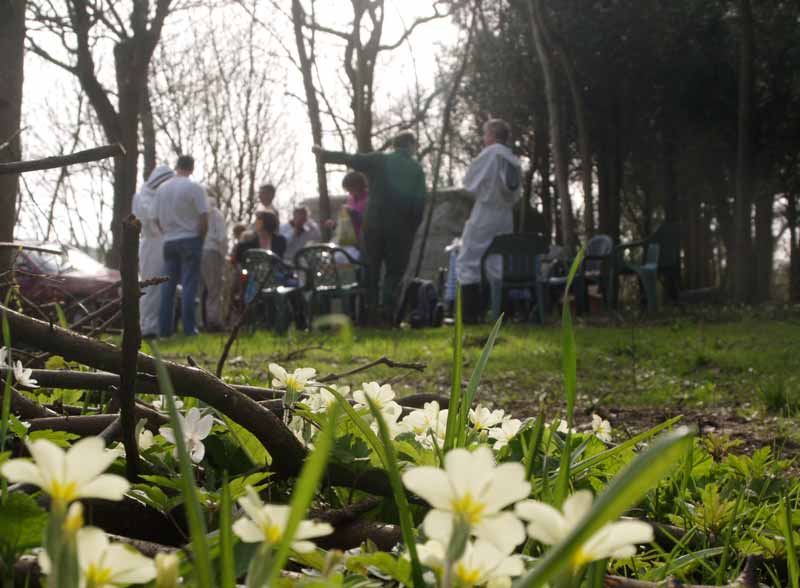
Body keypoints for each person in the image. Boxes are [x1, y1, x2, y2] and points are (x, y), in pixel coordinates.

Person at [314, 131, 426, 323]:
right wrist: (412, 228)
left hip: (373, 224)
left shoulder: (378, 160)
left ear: (394, 145)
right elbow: (419, 204)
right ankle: (387, 313)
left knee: (370, 269)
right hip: (400, 227)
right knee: (394, 272)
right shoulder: (416, 169)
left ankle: (369, 313)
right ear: (411, 145)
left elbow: (352, 159)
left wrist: (324, 155)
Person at [455, 119, 522, 323]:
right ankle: (503, 313)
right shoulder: (513, 159)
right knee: (497, 262)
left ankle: (470, 315)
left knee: (468, 259)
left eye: (485, 134)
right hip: (505, 215)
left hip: (486, 211)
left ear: (492, 135)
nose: (484, 138)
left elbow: (469, 183)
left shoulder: (490, 153)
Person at [155, 155, 208, 337]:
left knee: (167, 288)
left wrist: (167, 233)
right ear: (192, 168)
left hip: (169, 240)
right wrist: (200, 238)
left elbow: (155, 218)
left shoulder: (162, 189)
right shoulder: (195, 188)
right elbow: (203, 218)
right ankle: (188, 329)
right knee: (189, 286)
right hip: (190, 239)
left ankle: (164, 330)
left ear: (176, 166)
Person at [132, 165, 175, 338]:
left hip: (163, 242)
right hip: (151, 244)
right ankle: (147, 326)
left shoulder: (160, 197)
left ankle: (159, 326)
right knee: (150, 286)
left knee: (163, 286)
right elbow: (145, 218)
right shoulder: (141, 197)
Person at [201, 195, 227, 332]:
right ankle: (213, 321)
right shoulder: (216, 214)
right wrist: (224, 256)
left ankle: (199, 321)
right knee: (214, 289)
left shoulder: (197, 213)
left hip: (197, 251)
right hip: (212, 251)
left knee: (200, 290)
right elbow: (221, 237)